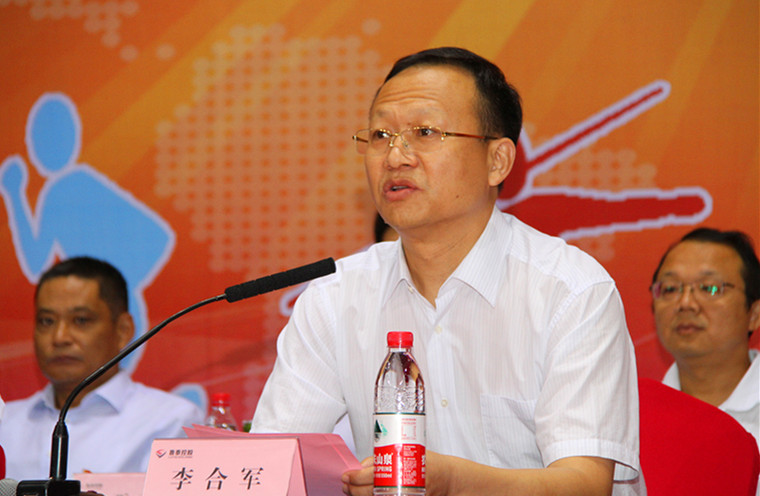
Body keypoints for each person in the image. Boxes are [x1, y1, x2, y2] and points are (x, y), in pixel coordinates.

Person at [252, 47, 641, 495]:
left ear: (497, 161)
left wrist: (454, 483)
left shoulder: (570, 291)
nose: (395, 156)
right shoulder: (334, 298)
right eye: (380, 135)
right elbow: (272, 466)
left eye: (425, 132)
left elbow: (584, 485)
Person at [0, 256, 204, 479]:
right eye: (47, 321)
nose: (59, 337)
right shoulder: (6, 422)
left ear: (123, 330)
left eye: (80, 320)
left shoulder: (169, 421)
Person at [651, 227, 760, 446]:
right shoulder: (634, 416)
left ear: (754, 315)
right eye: (670, 289)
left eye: (709, 288)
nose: (685, 303)